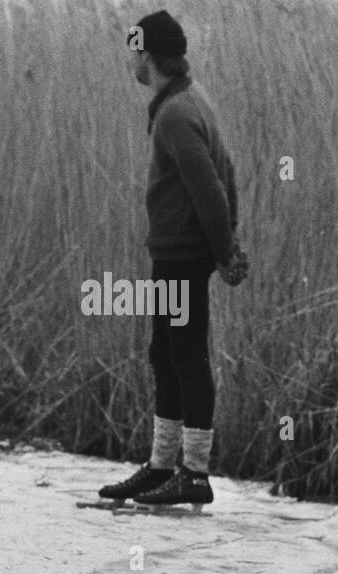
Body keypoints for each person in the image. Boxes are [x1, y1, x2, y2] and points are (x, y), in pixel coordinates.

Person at [99, 10, 247, 507]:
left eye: (133, 50)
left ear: (147, 55)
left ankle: (195, 474)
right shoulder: (187, 98)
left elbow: (210, 188)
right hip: (180, 252)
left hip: (182, 255)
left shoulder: (177, 113)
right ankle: (163, 466)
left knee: (184, 355)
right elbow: (227, 171)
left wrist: (224, 252)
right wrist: (224, 246)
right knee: (166, 353)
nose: (130, 60)